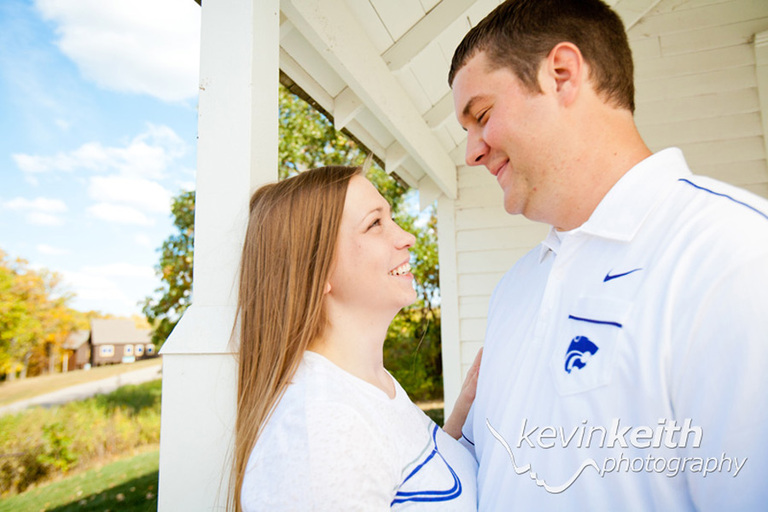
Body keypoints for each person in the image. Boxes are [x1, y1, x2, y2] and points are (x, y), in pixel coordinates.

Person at [448, 0, 768, 510]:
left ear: (562, 74)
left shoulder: (733, 254)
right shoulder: (515, 287)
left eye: (482, 115)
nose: (472, 151)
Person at [230, 164, 481, 511]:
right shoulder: (320, 433)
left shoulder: (371, 386)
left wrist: (459, 426)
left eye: (389, 218)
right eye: (374, 224)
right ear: (315, 271)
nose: (406, 236)